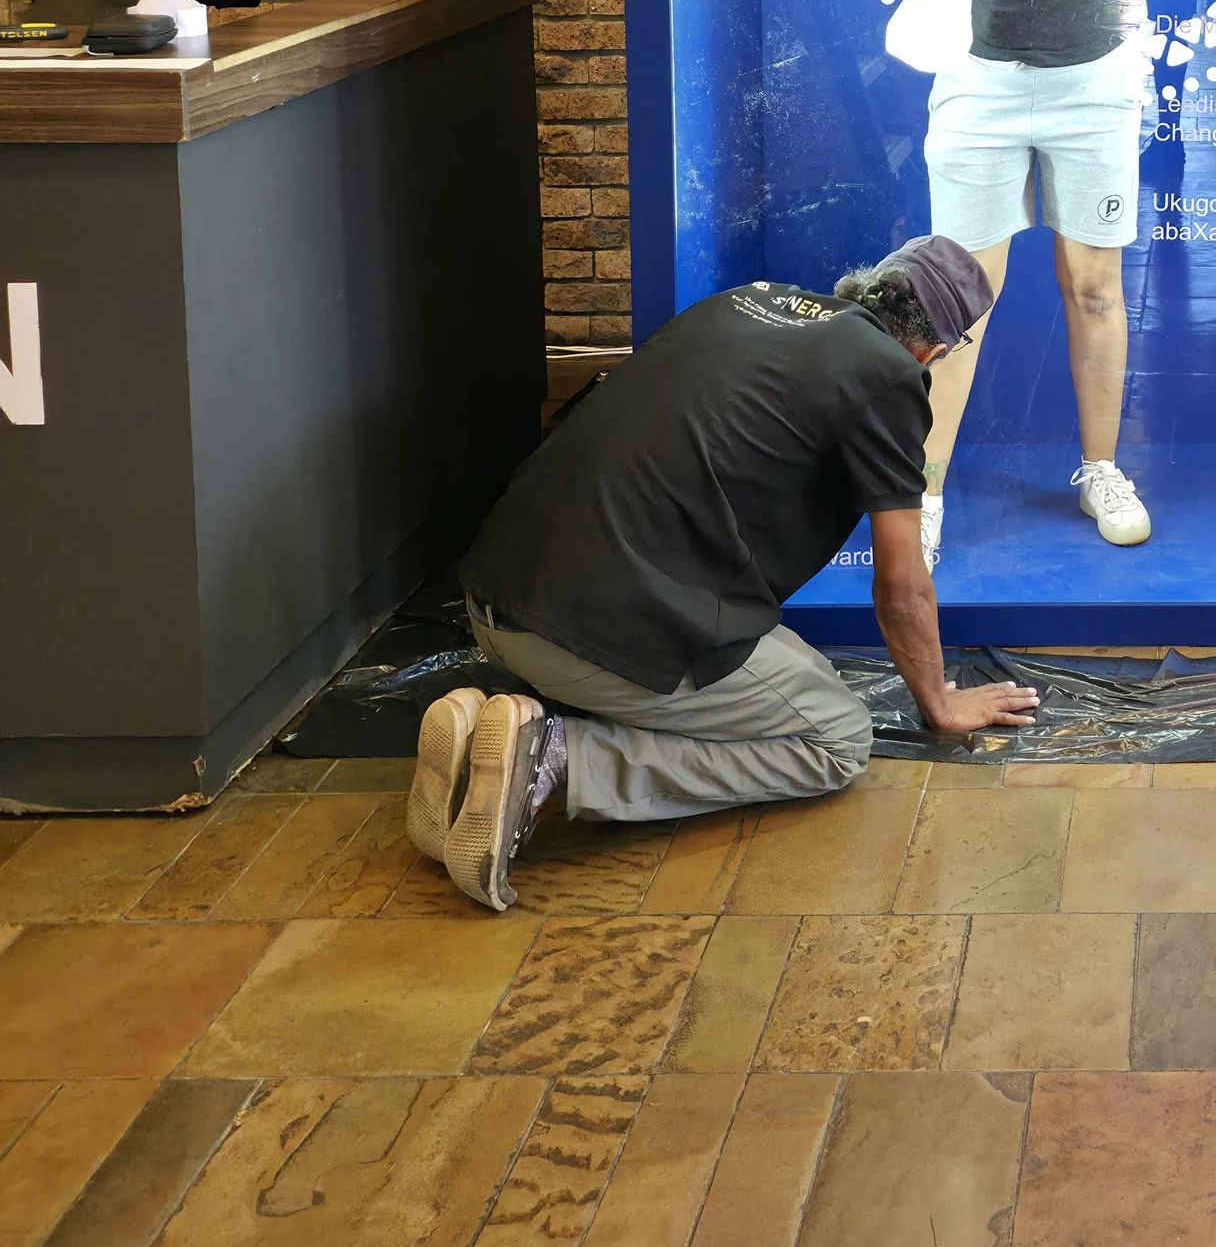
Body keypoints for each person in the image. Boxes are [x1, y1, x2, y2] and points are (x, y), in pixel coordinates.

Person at [409, 236, 1039, 910]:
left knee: (787, 663)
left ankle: (485, 739)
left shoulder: (749, 302)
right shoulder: (889, 374)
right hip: (587, 630)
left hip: (494, 601)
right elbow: (901, 585)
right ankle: (556, 758)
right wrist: (938, 705)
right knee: (836, 736)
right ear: (935, 349)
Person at [871, 0, 1152, 566]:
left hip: (1090, 80)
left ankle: (1101, 468)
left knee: (1094, 287)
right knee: (954, 304)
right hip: (979, 84)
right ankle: (929, 492)